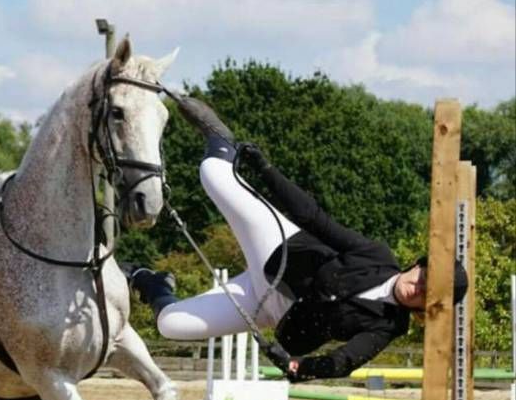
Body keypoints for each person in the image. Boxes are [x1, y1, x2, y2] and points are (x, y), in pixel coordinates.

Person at [123, 97, 468, 382]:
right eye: (423, 279)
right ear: (417, 265)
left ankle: (150, 281)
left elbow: (343, 361)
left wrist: (298, 367)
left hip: (268, 307)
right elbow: (314, 218)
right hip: (278, 249)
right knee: (212, 175)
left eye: (426, 295)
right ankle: (222, 143)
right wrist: (266, 170)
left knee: (171, 325)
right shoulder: (376, 256)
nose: (418, 289)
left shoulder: (387, 325)